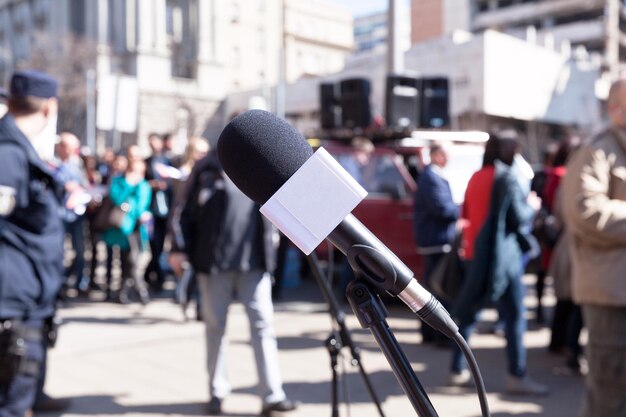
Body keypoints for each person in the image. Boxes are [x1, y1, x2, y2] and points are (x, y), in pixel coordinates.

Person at [179, 154, 297, 416]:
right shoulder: (207, 168)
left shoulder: (261, 168)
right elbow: (186, 212)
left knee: (263, 326)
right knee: (215, 328)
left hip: (254, 265)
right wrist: (182, 249)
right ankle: (217, 392)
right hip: (213, 265)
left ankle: (272, 395)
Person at [449, 130, 547, 395]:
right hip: (502, 259)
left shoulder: (475, 177)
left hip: (474, 254)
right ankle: (517, 374)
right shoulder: (508, 178)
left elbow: (466, 214)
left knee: (469, 312)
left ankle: (457, 367)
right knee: (515, 315)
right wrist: (533, 206)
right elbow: (518, 217)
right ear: (510, 151)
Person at [0, 70, 69, 416]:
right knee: (12, 403)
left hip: (28, 293)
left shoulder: (18, 149)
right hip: (13, 300)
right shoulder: (8, 153)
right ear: (49, 108)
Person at [561, 78, 626, 417]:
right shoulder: (597, 149)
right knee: (610, 392)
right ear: (615, 108)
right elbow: (585, 210)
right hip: (610, 293)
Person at [413, 142, 460, 345]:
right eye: (447, 155)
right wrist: (462, 211)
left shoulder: (432, 176)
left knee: (433, 289)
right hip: (436, 240)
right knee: (438, 290)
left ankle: (432, 333)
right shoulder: (431, 178)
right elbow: (442, 209)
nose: (450, 159)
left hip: (436, 239)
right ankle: (438, 335)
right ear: (438, 155)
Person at [102, 158, 152, 304]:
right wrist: (128, 185)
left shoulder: (143, 186)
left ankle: (131, 291)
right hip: (120, 227)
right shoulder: (119, 181)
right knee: (117, 259)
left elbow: (140, 206)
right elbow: (116, 197)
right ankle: (120, 291)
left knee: (132, 260)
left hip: (136, 229)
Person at [54, 132, 91, 294]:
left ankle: (80, 281)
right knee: (58, 250)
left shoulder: (78, 166)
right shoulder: (53, 165)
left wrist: (79, 191)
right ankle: (58, 282)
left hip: (76, 214)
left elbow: (84, 186)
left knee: (80, 248)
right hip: (58, 213)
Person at [144, 133, 172, 293]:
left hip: (165, 208)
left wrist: (166, 184)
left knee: (161, 245)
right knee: (154, 244)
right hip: (152, 209)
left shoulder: (168, 161)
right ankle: (157, 277)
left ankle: (150, 274)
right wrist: (152, 185)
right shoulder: (147, 162)